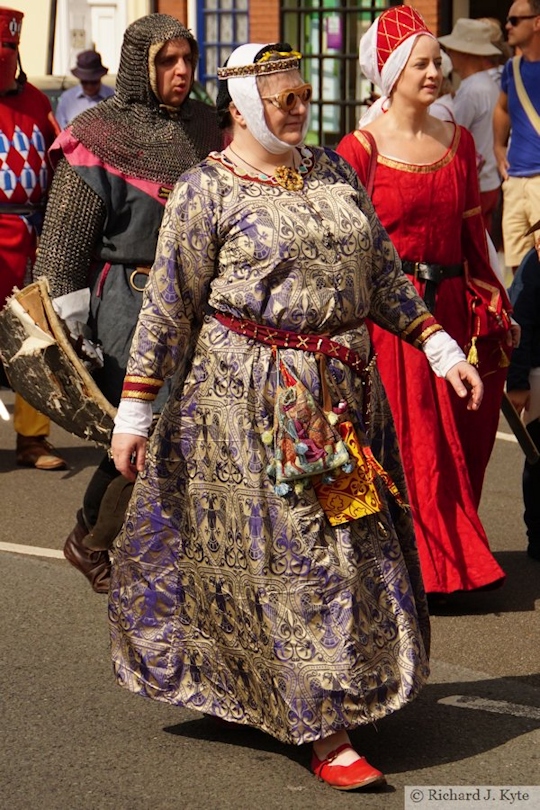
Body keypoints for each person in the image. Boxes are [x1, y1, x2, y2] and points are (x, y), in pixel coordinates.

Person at [109, 41, 483, 789]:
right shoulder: (205, 190)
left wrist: (441, 348)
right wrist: (135, 413)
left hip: (337, 403)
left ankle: (312, 690)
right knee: (294, 559)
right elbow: (169, 307)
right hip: (243, 406)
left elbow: (381, 271)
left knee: (346, 545)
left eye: (306, 96)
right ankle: (327, 731)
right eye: (286, 100)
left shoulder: (334, 171)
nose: (301, 109)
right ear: (246, 105)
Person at [34, 13, 222, 593]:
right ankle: (91, 537)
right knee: (146, 425)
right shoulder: (97, 136)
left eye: (187, 59)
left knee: (196, 427)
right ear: (142, 65)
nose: (182, 71)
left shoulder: (209, 128)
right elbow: (64, 247)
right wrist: (67, 332)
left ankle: (165, 545)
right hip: (129, 300)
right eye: (168, 61)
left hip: (196, 299)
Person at [337, 6, 518, 596]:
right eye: (420, 63)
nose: (434, 71)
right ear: (390, 72)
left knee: (452, 436)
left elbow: (473, 239)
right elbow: (345, 249)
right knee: (408, 437)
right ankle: (414, 565)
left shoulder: (459, 143)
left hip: (449, 311)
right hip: (389, 319)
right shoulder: (359, 148)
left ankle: (453, 559)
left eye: (436, 61)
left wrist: (495, 302)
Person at [0, 5, 66, 471]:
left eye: (10, 49)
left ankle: (32, 439)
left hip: (32, 234)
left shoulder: (39, 102)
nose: (5, 57)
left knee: (34, 340)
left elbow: (60, 162)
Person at [438, 19, 503, 237]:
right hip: (489, 180)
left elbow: (451, 137)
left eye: (454, 49)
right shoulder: (488, 84)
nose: (450, 53)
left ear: (465, 52)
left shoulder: (471, 90)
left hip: (476, 183)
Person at [493, 0, 540, 273]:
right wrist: (498, 147)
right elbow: (501, 108)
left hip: (538, 182)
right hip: (515, 181)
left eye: (514, 20)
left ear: (537, 23)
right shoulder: (512, 67)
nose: (507, 26)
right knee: (517, 267)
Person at [506, 247, 540, 561]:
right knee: (539, 459)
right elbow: (520, 319)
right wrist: (517, 381)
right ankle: (539, 536)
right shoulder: (536, 260)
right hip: (539, 372)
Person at [55, 49, 114, 130]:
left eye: (93, 82)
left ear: (100, 77)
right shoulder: (67, 99)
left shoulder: (114, 97)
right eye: (85, 82)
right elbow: (60, 133)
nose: (89, 86)